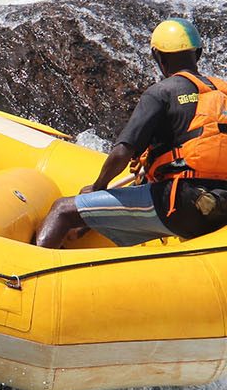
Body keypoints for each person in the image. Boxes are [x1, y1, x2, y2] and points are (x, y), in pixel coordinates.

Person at [35, 18, 227, 248]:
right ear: (199, 54)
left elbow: (122, 152)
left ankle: (26, 274)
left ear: (159, 58)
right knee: (143, 186)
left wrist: (97, 188)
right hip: (220, 203)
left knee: (62, 209)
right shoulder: (222, 94)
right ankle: (85, 225)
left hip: (180, 204)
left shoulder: (162, 92)